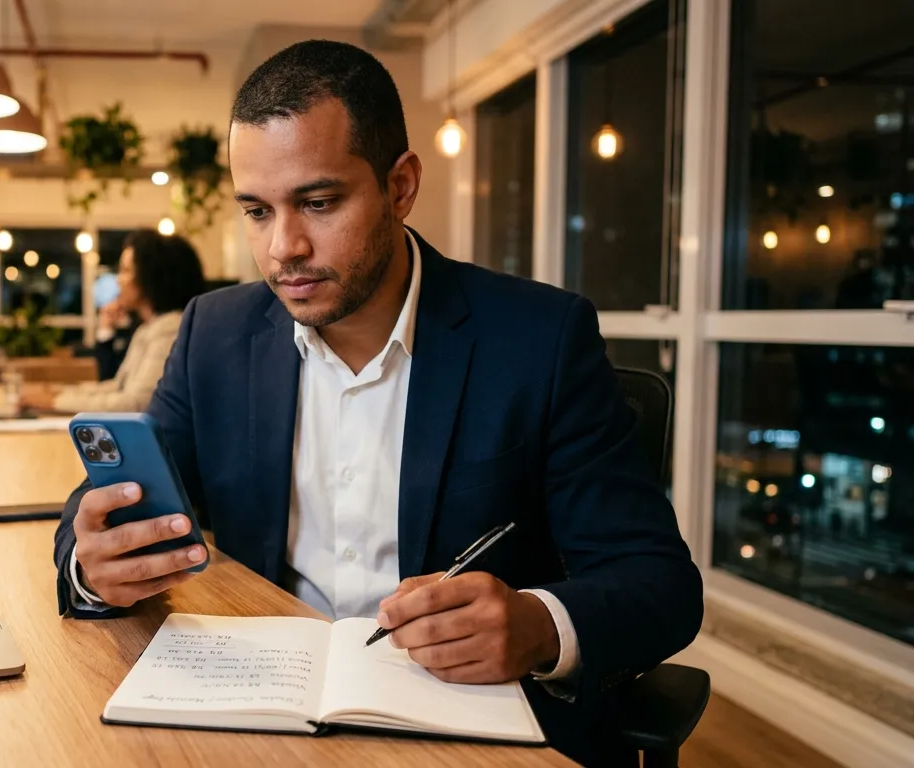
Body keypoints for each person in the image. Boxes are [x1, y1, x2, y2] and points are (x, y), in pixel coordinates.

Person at [51, 40, 702, 766]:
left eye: (318, 202)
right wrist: (94, 564)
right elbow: (103, 511)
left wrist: (538, 623)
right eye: (257, 211)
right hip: (259, 717)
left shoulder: (540, 339)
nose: (282, 250)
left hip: (468, 731)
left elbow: (659, 582)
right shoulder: (215, 333)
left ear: (400, 186)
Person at [24, 230, 204, 413]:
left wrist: (56, 402)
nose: (118, 281)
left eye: (125, 271)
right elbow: (118, 387)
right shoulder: (148, 328)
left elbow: (136, 403)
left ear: (152, 276)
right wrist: (60, 392)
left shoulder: (171, 329)